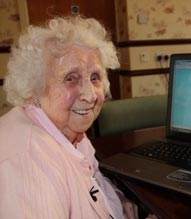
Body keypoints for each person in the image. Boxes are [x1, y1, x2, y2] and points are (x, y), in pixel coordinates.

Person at [0, 15, 155, 219]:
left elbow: (92, 180)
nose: (90, 95)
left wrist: (118, 199)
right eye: (70, 79)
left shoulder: (66, 129)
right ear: (34, 87)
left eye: (95, 77)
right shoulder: (29, 166)